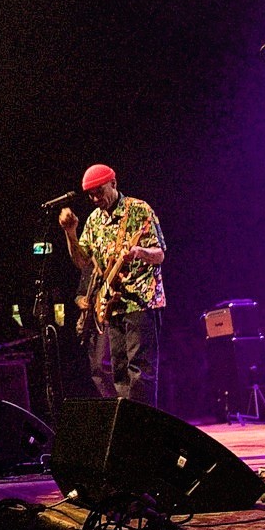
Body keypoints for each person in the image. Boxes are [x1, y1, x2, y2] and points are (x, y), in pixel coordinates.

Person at [58, 163, 166, 405]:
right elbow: (83, 262)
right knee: (119, 371)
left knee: (141, 370)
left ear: (113, 183)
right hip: (112, 306)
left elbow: (159, 254)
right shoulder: (94, 220)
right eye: (91, 194)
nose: (96, 198)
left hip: (141, 300)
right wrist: (71, 233)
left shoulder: (139, 210)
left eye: (99, 191)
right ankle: (128, 428)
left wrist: (139, 252)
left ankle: (145, 426)